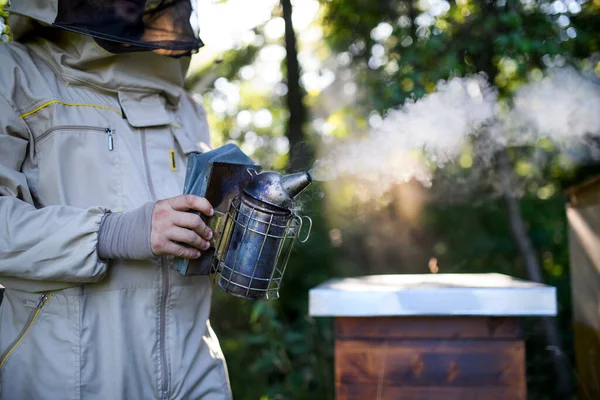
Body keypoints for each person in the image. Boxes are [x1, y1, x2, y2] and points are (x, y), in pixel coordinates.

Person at [0, 0, 232, 399]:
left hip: (197, 370)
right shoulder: (13, 73)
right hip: (67, 378)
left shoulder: (185, 103)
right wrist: (113, 232)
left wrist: (234, 228)